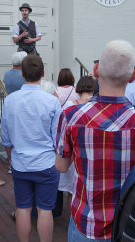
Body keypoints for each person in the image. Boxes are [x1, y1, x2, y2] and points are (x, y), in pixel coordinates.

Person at [55, 40, 135, 241]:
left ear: (95, 70)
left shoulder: (71, 116)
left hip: (86, 224)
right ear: (133, 76)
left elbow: (62, 166)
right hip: (133, 225)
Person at [1, 55, 61, 242]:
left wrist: (11, 160)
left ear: (22, 74)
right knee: (45, 210)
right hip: (46, 163)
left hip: (21, 162)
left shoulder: (10, 100)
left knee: (23, 208)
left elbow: (6, 137)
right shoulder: (51, 101)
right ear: (42, 74)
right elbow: (58, 138)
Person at [59, 76, 95, 213]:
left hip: (71, 151)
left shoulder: (69, 106)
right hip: (88, 151)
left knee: (71, 191)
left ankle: (72, 219)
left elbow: (62, 131)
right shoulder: (94, 105)